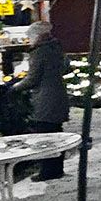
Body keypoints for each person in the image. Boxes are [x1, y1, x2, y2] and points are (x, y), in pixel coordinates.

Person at [16, 20, 70, 180]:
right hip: (58, 94)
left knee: (44, 135)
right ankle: (57, 168)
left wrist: (14, 87)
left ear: (38, 36)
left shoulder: (39, 52)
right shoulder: (56, 48)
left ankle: (47, 171)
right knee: (56, 133)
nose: (30, 40)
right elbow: (66, 65)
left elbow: (32, 79)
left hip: (45, 98)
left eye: (30, 36)